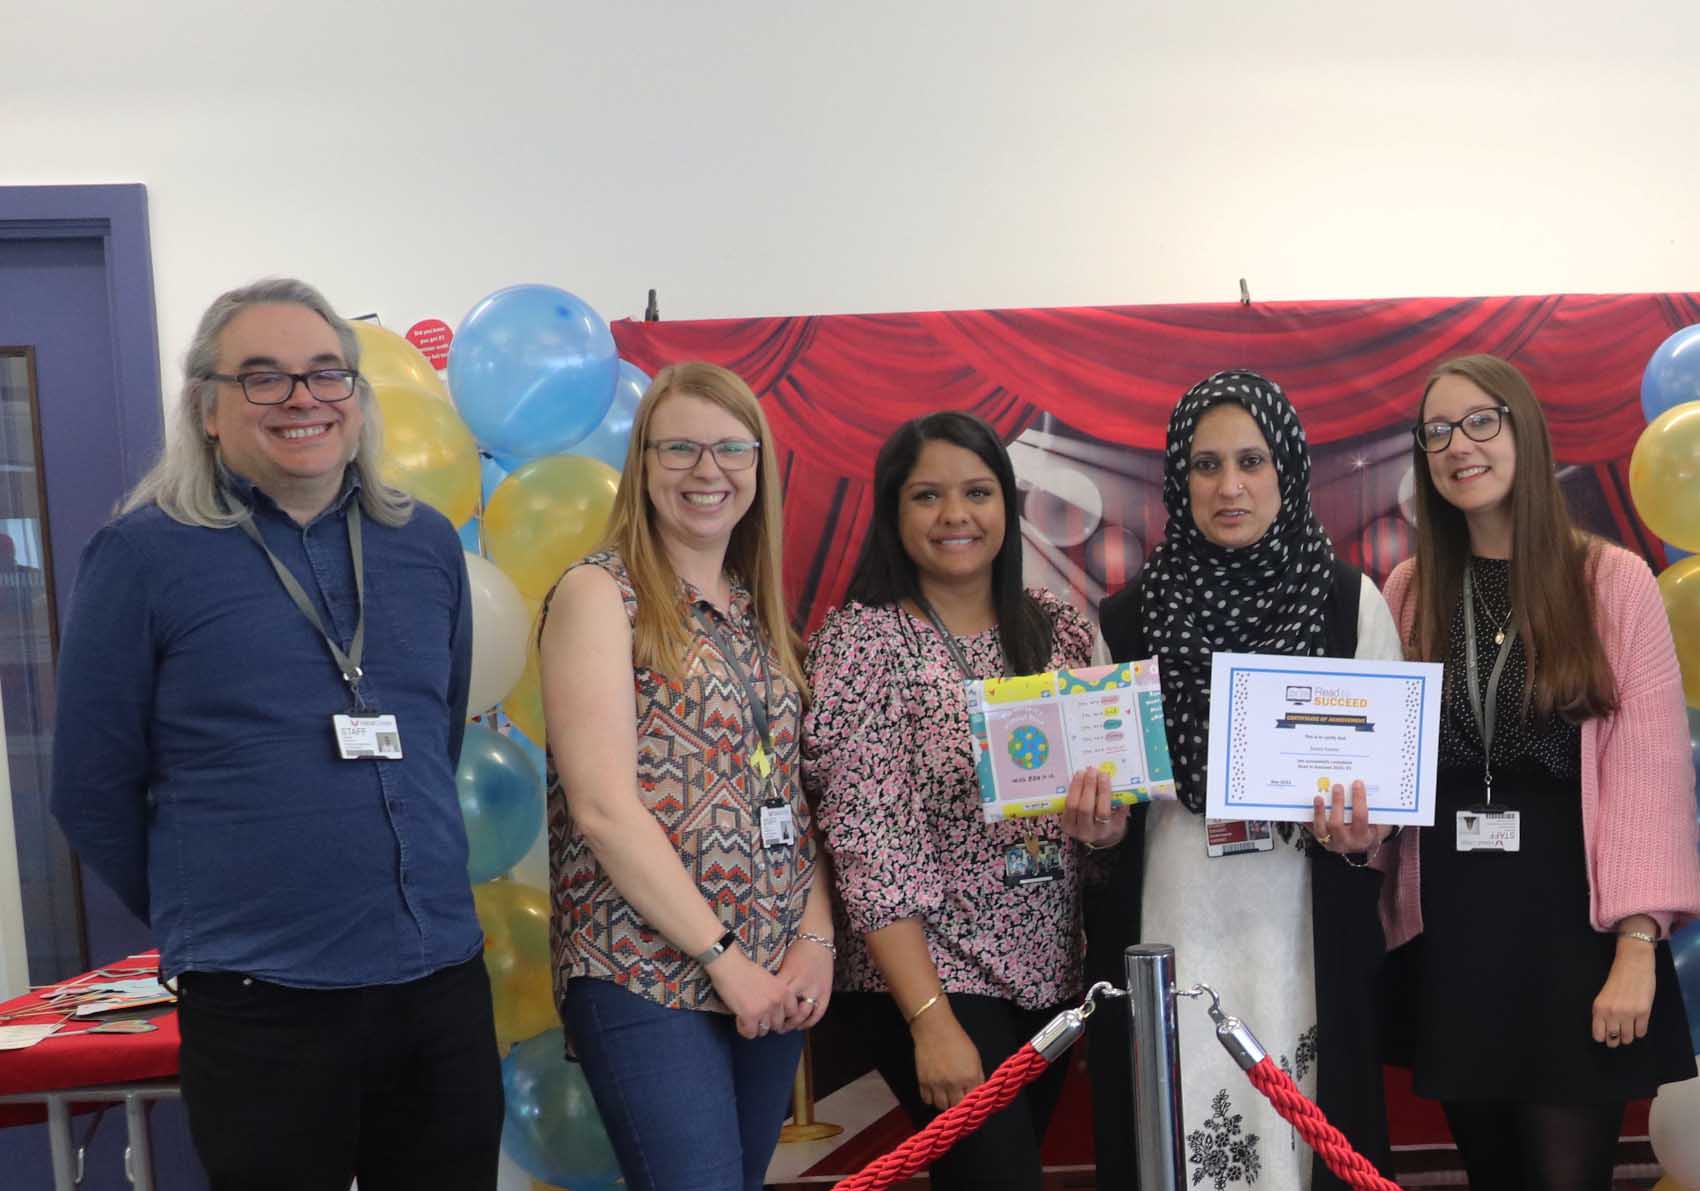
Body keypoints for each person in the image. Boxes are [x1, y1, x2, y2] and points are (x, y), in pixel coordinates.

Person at [50, 278, 500, 1188]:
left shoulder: (425, 546)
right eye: (264, 377)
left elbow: (433, 733)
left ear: (358, 401)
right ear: (207, 409)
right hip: (261, 1003)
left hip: (438, 981)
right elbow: (89, 788)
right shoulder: (144, 556)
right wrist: (213, 914)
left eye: (325, 375)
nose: (302, 399)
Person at [1375, 354, 1700, 1191]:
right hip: (1453, 926)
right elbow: (1385, 764)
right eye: (1438, 431)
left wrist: (1638, 941)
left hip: (1574, 927)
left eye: (1481, 421)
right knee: (1494, 1176)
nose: (1459, 446)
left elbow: (1651, 775)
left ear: (1524, 428)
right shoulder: (1410, 590)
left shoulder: (1610, 580)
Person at [1083, 370, 1402, 1191]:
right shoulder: (1124, 620)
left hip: (1301, 918)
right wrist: (1102, 828)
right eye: (1206, 463)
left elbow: (1384, 790)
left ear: (1287, 471)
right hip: (1176, 915)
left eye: (1252, 461)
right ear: (1175, 479)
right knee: (1179, 1114)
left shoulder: (1346, 603)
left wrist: (1369, 830)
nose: (1229, 486)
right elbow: (1115, 807)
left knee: (1307, 1126)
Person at [806, 412, 1125, 1191]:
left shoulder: (1057, 631)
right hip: (932, 979)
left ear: (1007, 507)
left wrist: (1106, 827)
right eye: (927, 495)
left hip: (1050, 975)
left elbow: (1104, 803)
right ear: (892, 512)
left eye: (978, 492)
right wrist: (930, 1018)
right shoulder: (864, 644)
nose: (956, 515)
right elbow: (868, 843)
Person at [539, 362, 834, 1191]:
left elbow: (797, 799)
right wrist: (723, 957)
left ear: (757, 466)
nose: (708, 471)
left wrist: (816, 940)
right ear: (643, 464)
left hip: (772, 980)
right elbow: (600, 808)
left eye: (731, 449)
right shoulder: (601, 594)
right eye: (681, 449)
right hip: (646, 973)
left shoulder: (755, 608)